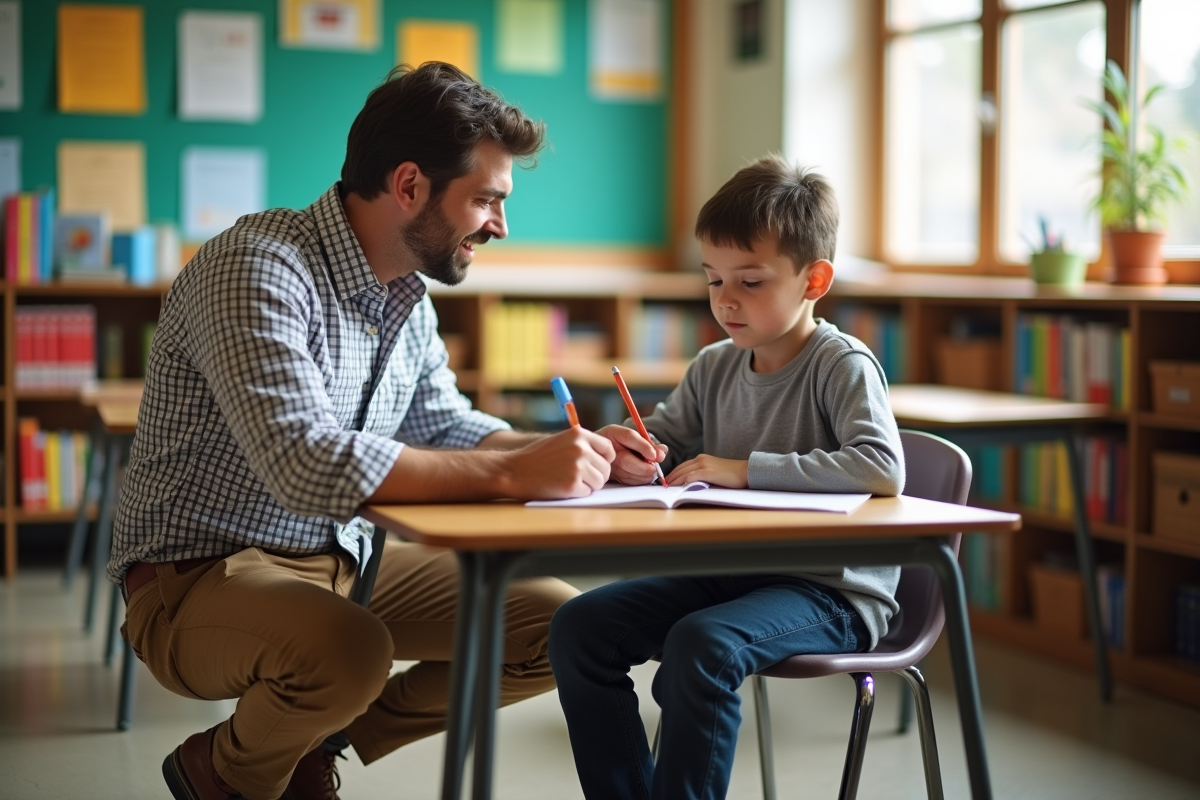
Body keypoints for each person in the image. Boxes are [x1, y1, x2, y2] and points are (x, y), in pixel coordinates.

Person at [109, 62, 654, 800]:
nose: (500, 225)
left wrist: (571, 453)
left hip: (344, 559)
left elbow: (447, 425)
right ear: (409, 186)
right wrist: (512, 474)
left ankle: (313, 741)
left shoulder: (408, 297)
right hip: (201, 575)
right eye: (487, 200)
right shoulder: (256, 265)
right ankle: (223, 774)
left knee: (568, 625)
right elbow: (306, 464)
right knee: (350, 650)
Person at [547, 156, 906, 800]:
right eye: (714, 280)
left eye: (750, 281)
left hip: (830, 592)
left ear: (813, 280)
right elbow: (667, 440)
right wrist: (631, 450)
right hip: (734, 574)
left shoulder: (841, 364)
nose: (725, 300)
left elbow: (880, 468)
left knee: (700, 646)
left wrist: (743, 471)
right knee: (580, 627)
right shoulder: (716, 364)